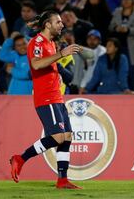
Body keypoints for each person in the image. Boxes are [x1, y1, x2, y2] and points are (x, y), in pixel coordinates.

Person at [9, 10, 83, 189]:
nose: (62, 25)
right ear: (48, 25)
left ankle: (62, 180)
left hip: (56, 95)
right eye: (58, 22)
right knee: (57, 137)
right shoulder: (37, 42)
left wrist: (57, 73)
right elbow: (35, 64)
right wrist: (61, 54)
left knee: (66, 137)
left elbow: (48, 66)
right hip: (45, 97)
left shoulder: (50, 43)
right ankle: (20, 158)